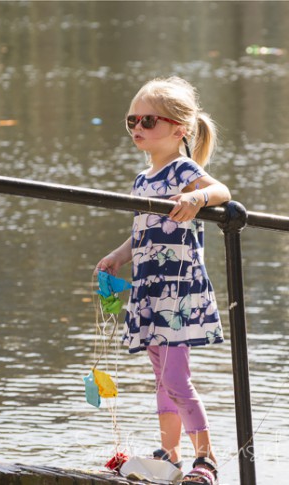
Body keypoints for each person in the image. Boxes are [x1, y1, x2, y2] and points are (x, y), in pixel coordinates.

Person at [96, 77, 230, 485]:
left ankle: (205, 458)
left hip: (178, 291)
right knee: (161, 380)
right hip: (150, 289)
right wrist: (120, 255)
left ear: (178, 129)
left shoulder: (183, 170)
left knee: (176, 378)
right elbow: (144, 230)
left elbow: (222, 191)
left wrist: (195, 198)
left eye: (148, 120)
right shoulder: (142, 179)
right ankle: (168, 455)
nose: (137, 127)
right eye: (131, 120)